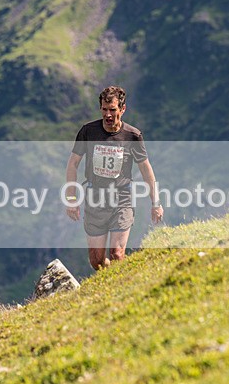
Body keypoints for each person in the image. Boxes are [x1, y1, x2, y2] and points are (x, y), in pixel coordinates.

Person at [65, 85, 163, 270]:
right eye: (104, 110)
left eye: (113, 110)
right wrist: (71, 199)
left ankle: (122, 288)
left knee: (117, 253)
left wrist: (155, 202)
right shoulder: (88, 131)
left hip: (122, 198)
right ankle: (111, 276)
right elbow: (73, 164)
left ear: (122, 109)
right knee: (97, 261)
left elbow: (145, 169)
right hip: (95, 198)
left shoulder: (133, 136)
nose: (108, 115)